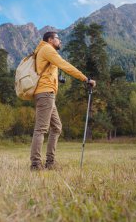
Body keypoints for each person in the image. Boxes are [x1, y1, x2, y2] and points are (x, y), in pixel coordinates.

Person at [30, 31, 96, 170]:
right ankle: (36, 164)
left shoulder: (43, 50)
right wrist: (86, 79)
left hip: (47, 94)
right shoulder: (47, 49)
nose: (60, 41)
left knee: (57, 127)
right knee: (41, 129)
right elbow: (64, 64)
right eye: (58, 38)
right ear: (50, 40)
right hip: (45, 93)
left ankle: (50, 162)